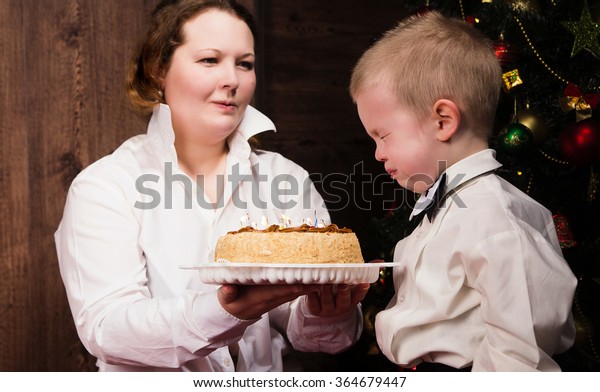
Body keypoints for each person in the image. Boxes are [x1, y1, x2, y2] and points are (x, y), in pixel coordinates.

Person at [55, 0, 369, 372]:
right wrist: (225, 311)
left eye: (245, 64)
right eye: (209, 60)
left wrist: (326, 312)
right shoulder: (106, 186)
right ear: (158, 70)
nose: (232, 80)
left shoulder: (285, 178)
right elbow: (107, 328)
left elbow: (314, 335)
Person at [349, 11, 577, 371]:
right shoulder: (442, 207)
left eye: (383, 135)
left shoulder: (495, 220)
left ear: (443, 121)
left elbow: (518, 356)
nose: (377, 154)